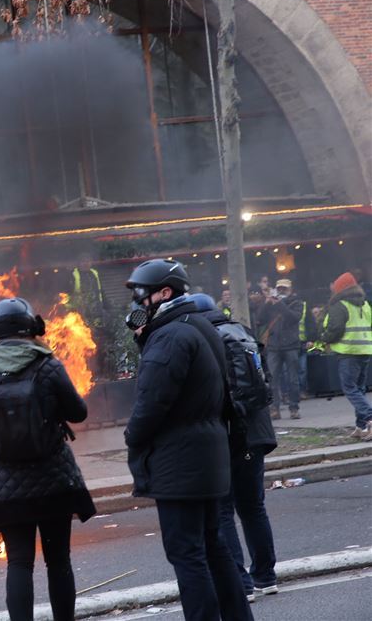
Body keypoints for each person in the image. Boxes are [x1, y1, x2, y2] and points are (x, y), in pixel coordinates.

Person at [123, 259, 252, 621]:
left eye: (140, 294)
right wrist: (145, 336)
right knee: (213, 546)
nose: (136, 302)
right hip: (207, 455)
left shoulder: (169, 336)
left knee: (186, 553)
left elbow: (153, 399)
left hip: (180, 461)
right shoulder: (196, 324)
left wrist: (132, 435)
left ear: (164, 292)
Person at [0, 298, 94, 621]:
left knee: (19, 563)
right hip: (53, 480)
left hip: (8, 489)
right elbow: (79, 412)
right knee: (58, 560)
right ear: (27, 327)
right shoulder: (48, 365)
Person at [190, 293, 279, 602]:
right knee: (254, 507)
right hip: (256, 433)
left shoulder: (205, 340)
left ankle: (240, 583)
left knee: (223, 511)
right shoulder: (243, 332)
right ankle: (266, 577)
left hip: (227, 436)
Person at [319, 272, 372, 440]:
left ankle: (370, 418)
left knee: (350, 388)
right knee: (360, 389)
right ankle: (361, 427)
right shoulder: (364, 305)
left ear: (339, 289)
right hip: (365, 351)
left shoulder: (340, 305)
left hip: (348, 352)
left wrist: (323, 338)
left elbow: (335, 329)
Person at [256, 278, 306, 419]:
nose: (281, 291)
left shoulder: (297, 303)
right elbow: (259, 320)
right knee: (272, 379)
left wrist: (280, 305)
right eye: (279, 288)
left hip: (291, 345)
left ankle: (294, 408)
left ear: (290, 290)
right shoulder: (271, 303)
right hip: (274, 346)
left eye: (284, 288)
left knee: (293, 379)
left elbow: (293, 318)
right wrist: (266, 304)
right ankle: (274, 408)